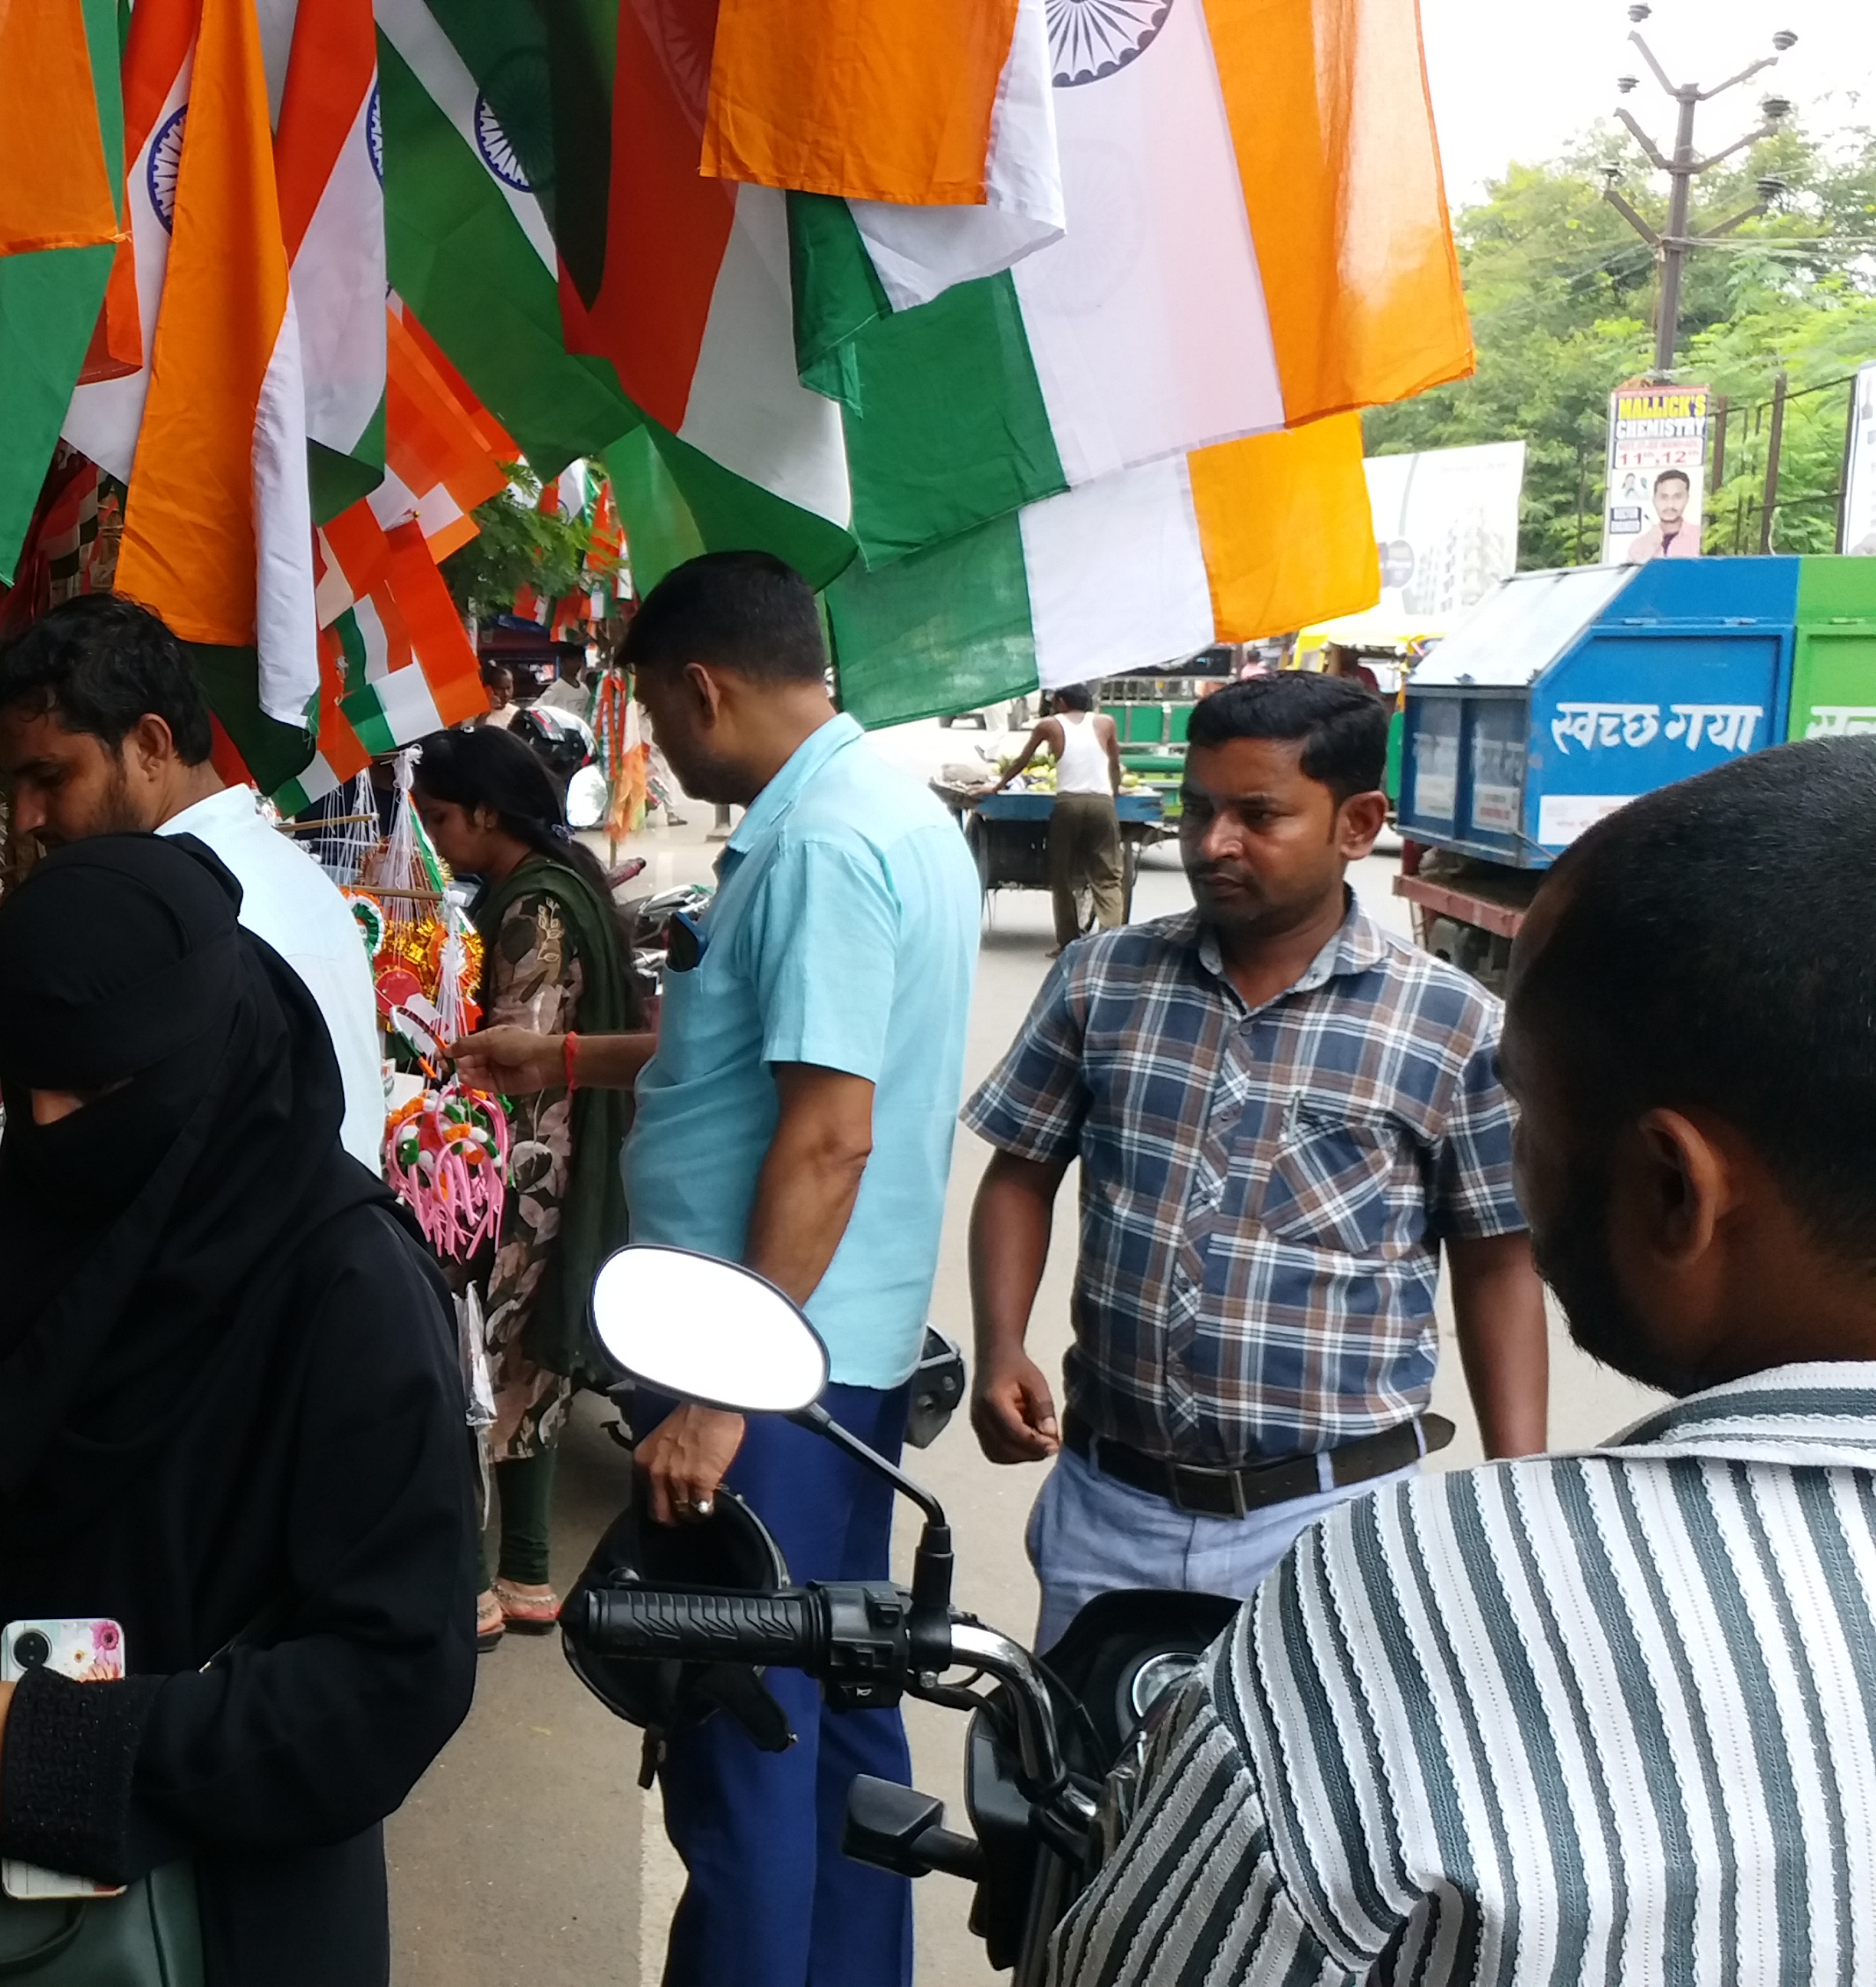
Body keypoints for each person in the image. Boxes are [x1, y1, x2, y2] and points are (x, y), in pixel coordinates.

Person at [1037, 736, 1876, 1985]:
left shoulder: (1402, 1592)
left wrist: (1519, 1491)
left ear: (1670, 1190)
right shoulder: (1107, 978)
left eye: (1530, 1111)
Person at [455, 549, 977, 1987]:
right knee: (837, 1716)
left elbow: (825, 1139)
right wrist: (562, 1056)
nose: (663, 754)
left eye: (654, 713)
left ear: (699, 687)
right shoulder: (881, 813)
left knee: (741, 1739)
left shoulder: (815, 846)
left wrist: (724, 1392)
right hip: (833, 1359)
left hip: (774, 1374)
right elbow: (753, 1060)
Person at [0, 834, 479, 1987]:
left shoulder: (348, 1291)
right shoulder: (47, 1231)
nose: (50, 1127)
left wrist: (69, 1755)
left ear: (206, 1047)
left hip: (222, 1928)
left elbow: (392, 1677)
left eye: (94, 1090)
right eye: (26, 1087)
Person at [964, 672, 1550, 1651]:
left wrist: (1516, 1492)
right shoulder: (1102, 980)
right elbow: (1021, 1171)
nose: (1212, 843)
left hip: (1329, 1527)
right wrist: (1001, 1346)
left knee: (1307, 1800)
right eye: (1198, 811)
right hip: (1113, 1508)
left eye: (1257, 815)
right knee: (1087, 1791)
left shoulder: (1452, 1027)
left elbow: (1499, 1264)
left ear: (1357, 824)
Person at [0, 593, 382, 1170]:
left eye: (50, 777)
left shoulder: (194, 926)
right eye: (13, 789)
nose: (26, 818)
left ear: (149, 746)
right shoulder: (269, 872)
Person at [409, 725, 637, 1646]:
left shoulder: (530, 910)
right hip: (563, 1155)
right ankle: (530, 1574)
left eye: (438, 821)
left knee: (472, 1359)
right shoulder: (566, 882)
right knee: (528, 1366)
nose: (434, 840)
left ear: (484, 815)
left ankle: (472, 1585)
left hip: (524, 1168)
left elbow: (519, 1051)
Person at [993, 683, 1126, 948]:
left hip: (1068, 804)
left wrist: (997, 787)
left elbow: (1022, 761)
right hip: (1102, 803)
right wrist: (1114, 790)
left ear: (1063, 702)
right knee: (1108, 875)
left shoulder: (1049, 725)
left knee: (1062, 874)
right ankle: (1112, 941)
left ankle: (1067, 942)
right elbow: (1113, 761)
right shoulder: (1106, 723)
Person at [1623, 465, 1697, 562]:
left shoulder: (1699, 538)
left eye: (1677, 497)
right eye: (1664, 497)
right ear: (1654, 500)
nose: (1670, 504)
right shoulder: (1638, 545)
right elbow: (1633, 575)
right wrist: (1651, 547)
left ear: (1687, 499)